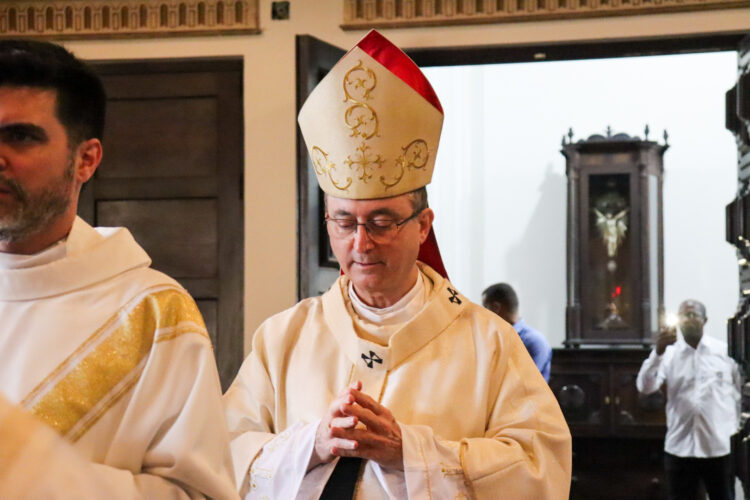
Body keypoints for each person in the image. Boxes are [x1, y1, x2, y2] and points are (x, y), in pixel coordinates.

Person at [224, 30, 571, 499]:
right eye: (344, 221)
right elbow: (222, 455)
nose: (360, 243)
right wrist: (312, 445)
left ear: (423, 225)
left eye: (382, 221)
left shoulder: (488, 342)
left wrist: (409, 452)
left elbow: (540, 468)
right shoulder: (282, 339)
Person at [0, 40, 238, 499]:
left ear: (85, 160)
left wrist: (27, 470)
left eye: (21, 136)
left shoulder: (153, 313)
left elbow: (200, 494)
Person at [636, 299, 741, 500]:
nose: (688, 319)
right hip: (680, 448)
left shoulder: (724, 352)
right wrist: (657, 353)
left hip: (718, 448)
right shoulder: (668, 354)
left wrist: (733, 427)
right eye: (684, 315)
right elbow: (645, 387)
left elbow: (739, 392)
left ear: (705, 320)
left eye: (694, 315)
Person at [482, 282, 552, 382]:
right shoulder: (494, 339)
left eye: (486, 308)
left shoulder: (534, 341)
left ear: (496, 308)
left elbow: (525, 383)